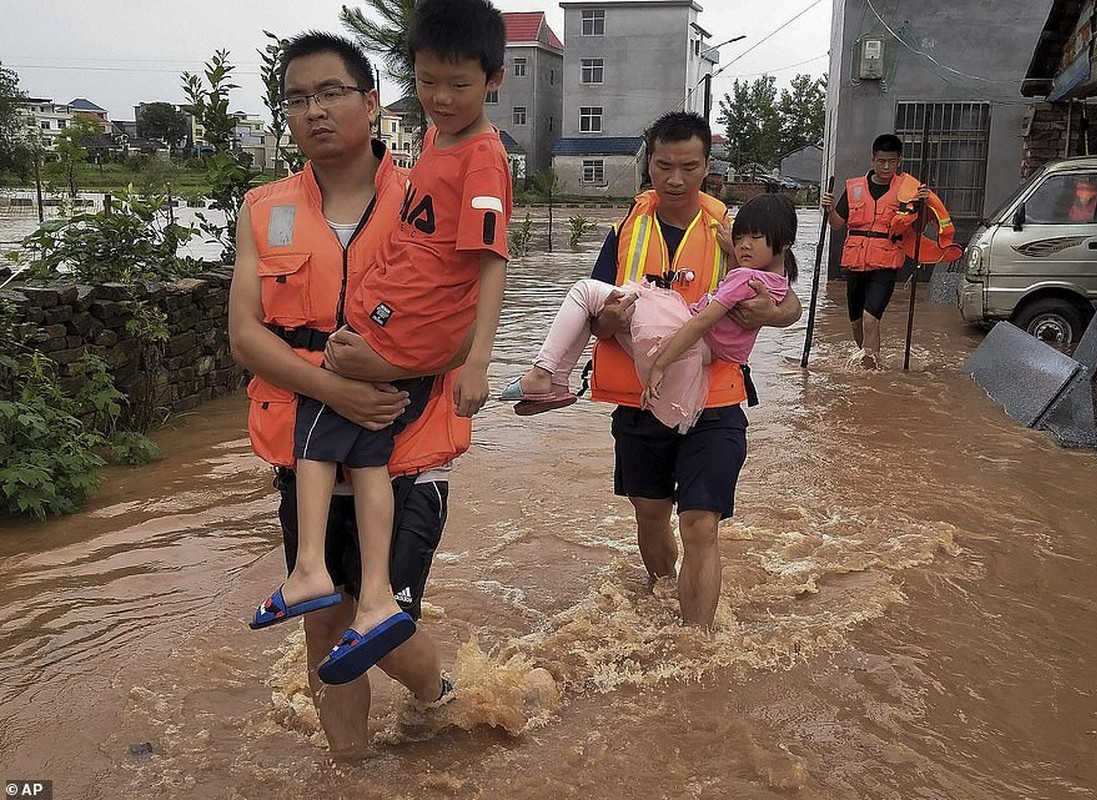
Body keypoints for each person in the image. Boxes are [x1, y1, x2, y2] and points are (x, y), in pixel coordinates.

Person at [228, 27, 484, 757]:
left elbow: (467, 333)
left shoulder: (429, 200)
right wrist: (333, 392)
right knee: (322, 621)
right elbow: (246, 335)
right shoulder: (263, 207)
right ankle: (349, 770)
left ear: (371, 103)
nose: (313, 110)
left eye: (331, 93)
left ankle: (438, 697)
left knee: (384, 625)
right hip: (307, 451)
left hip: (405, 449)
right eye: (295, 99)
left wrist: (383, 374)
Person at [559, 111, 800, 627]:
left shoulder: (735, 234)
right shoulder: (623, 234)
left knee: (700, 524)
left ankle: (696, 643)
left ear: (707, 167)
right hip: (641, 400)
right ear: (648, 164)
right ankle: (663, 592)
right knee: (650, 516)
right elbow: (591, 318)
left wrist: (773, 312)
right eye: (663, 165)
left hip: (715, 400)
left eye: (688, 167)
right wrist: (606, 320)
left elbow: (789, 297)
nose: (674, 179)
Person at [499, 193, 799, 435]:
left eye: (754, 237)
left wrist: (661, 364)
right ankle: (556, 382)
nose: (743, 243)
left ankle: (545, 375)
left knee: (584, 292)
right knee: (597, 302)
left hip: (681, 336)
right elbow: (773, 282)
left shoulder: (742, 272)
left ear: (705, 165)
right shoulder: (776, 278)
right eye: (741, 237)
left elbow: (702, 321)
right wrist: (735, 254)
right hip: (701, 349)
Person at [820, 133, 934, 370]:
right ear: (872, 160)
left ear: (899, 161)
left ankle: (871, 372)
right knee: (856, 324)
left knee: (871, 320)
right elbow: (837, 224)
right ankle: (868, 359)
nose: (886, 166)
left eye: (892, 162)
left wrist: (923, 204)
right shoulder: (853, 188)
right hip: (855, 263)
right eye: (881, 161)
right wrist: (828, 209)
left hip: (885, 264)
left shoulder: (908, 190)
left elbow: (918, 226)